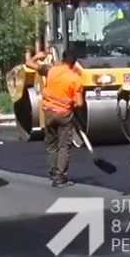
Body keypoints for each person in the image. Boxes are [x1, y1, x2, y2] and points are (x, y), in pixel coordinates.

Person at [27, 46, 86, 187]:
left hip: (49, 113)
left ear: (63, 59)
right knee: (64, 146)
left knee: (51, 145)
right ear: (74, 62)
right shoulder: (75, 79)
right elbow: (79, 103)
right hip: (64, 115)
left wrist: (37, 56)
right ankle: (60, 177)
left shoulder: (50, 70)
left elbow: (29, 63)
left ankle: (53, 173)